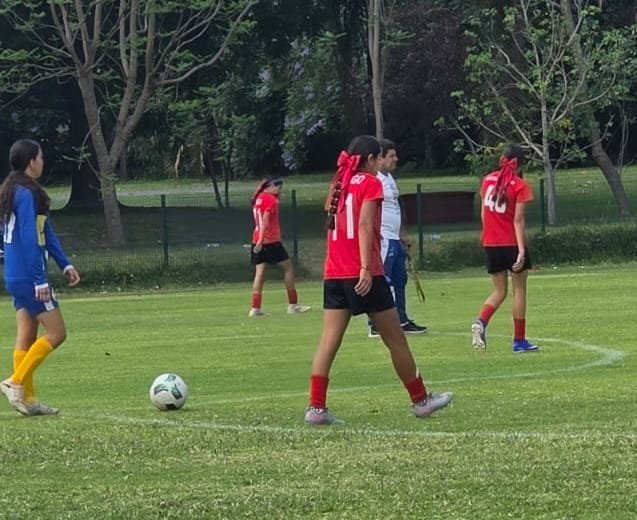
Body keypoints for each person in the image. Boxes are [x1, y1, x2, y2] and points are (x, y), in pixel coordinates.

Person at [304, 135, 453, 426]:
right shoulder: (371, 183)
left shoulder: (338, 183)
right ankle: (421, 400)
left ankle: (316, 407)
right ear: (371, 159)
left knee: (328, 341)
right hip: (364, 272)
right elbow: (364, 225)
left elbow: (334, 221)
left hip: (334, 272)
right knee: (395, 338)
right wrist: (364, 267)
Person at [0, 139, 81, 416]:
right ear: (31, 162)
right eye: (41, 157)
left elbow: (45, 232)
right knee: (57, 333)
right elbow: (29, 237)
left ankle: (29, 400)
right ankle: (15, 382)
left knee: (26, 336)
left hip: (15, 274)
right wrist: (40, 280)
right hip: (28, 275)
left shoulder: (11, 190)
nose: (43, 162)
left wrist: (65, 263)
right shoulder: (25, 193)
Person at [471, 144, 538, 353]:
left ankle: (481, 321)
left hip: (491, 242)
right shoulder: (520, 186)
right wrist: (522, 250)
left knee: (499, 291)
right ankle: (519, 340)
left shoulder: (487, 180)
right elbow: (518, 220)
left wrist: (486, 236)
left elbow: (484, 214)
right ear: (520, 164)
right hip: (511, 242)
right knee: (519, 290)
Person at [369, 138, 427, 337]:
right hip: (383, 238)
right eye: (391, 156)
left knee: (399, 280)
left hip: (394, 238)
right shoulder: (375, 179)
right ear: (380, 157)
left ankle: (401, 319)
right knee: (382, 281)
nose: (396, 159)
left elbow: (396, 208)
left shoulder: (389, 178)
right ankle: (375, 324)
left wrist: (403, 234)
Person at [249, 176, 310, 317]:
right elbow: (265, 222)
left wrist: (258, 241)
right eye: (277, 186)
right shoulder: (270, 199)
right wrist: (261, 241)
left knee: (260, 273)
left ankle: (255, 308)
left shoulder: (258, 198)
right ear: (269, 186)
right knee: (288, 268)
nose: (279, 190)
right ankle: (293, 305)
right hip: (270, 241)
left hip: (256, 238)